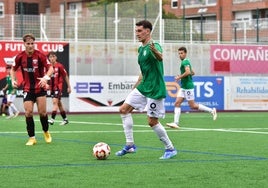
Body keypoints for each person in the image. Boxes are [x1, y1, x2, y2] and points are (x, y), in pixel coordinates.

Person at [116, 20, 177, 160]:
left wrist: (156, 52)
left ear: (147, 31)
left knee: (152, 121)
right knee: (123, 110)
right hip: (144, 87)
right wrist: (136, 86)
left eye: (139, 31)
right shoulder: (141, 49)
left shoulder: (153, 45)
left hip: (155, 88)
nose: (136, 33)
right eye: (136, 31)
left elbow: (160, 57)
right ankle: (130, 145)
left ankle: (170, 148)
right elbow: (144, 71)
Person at [10, 33, 54, 146]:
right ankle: (32, 138)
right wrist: (13, 80)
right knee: (28, 113)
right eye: (28, 43)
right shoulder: (20, 57)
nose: (30, 45)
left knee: (42, 113)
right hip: (27, 89)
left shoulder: (40, 55)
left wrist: (45, 78)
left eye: (32, 43)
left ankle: (46, 131)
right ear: (24, 44)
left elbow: (50, 68)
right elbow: (13, 69)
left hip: (40, 88)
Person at [166, 46, 217, 129]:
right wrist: (183, 75)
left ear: (185, 53)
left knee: (193, 105)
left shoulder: (185, 62)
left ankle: (212, 110)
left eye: (182, 53)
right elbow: (192, 72)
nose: (180, 55)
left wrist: (179, 77)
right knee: (177, 103)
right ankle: (176, 123)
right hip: (184, 87)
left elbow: (188, 72)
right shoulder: (187, 61)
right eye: (179, 53)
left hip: (188, 87)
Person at [47, 51, 71, 126]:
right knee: (59, 104)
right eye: (50, 57)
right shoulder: (48, 67)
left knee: (55, 102)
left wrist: (69, 86)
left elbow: (65, 76)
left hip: (58, 87)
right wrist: (46, 84)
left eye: (53, 56)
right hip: (52, 88)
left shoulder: (60, 66)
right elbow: (47, 77)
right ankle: (65, 119)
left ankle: (52, 119)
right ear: (48, 58)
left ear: (56, 57)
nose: (52, 58)